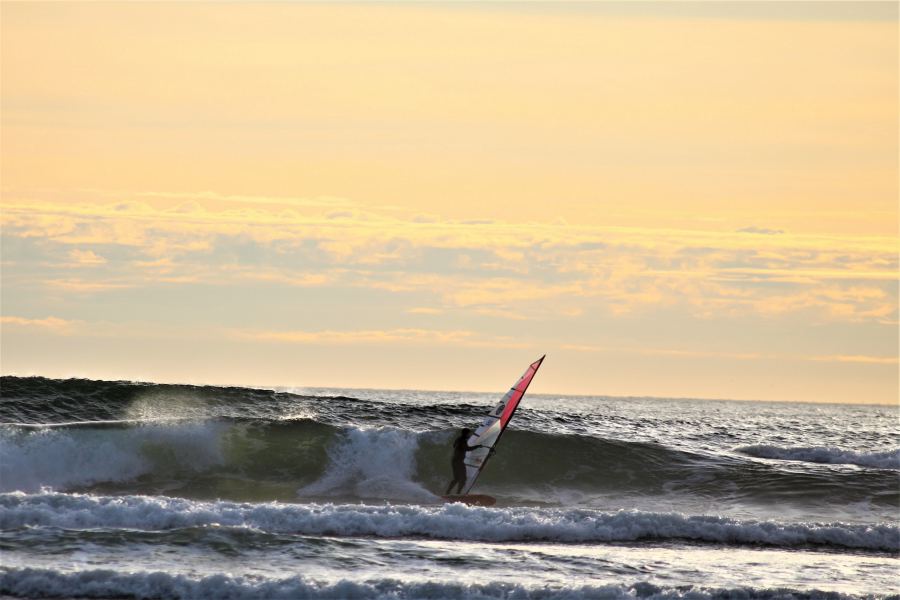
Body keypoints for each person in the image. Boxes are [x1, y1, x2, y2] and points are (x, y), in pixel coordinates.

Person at [444, 427, 483, 496]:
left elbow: (454, 446)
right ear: (466, 434)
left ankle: (448, 492)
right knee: (463, 479)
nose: (470, 435)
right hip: (458, 462)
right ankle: (458, 493)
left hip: (454, 460)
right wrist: (478, 446)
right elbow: (467, 449)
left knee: (456, 478)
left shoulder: (458, 439)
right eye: (469, 434)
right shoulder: (463, 440)